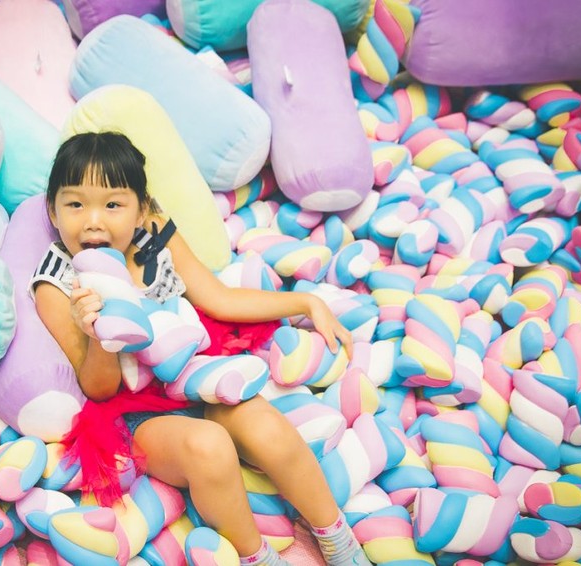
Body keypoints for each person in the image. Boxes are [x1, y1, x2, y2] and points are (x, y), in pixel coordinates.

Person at [31, 131, 371, 566]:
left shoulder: (154, 235)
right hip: (135, 412)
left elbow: (217, 298)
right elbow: (99, 390)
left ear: (141, 209)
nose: (93, 221)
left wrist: (306, 303)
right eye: (75, 205)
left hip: (194, 376)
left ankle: (340, 542)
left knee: (267, 428)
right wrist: (99, 335)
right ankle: (258, 558)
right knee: (209, 447)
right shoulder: (57, 282)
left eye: (113, 204)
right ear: (53, 210)